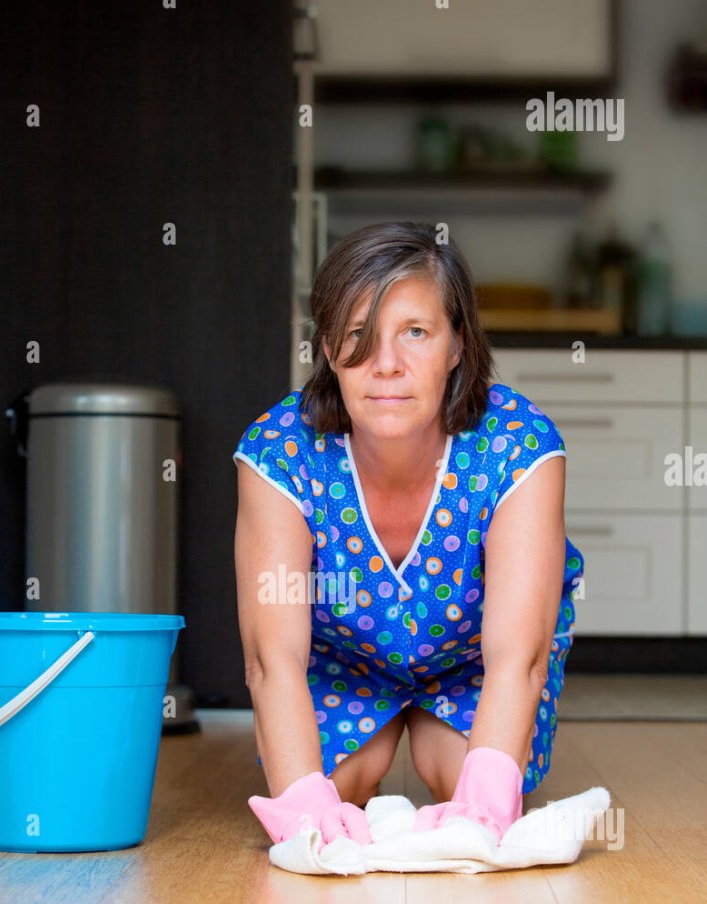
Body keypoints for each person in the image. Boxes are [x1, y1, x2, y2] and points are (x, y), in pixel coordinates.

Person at [233, 221, 584, 853]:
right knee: (332, 792)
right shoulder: (279, 452)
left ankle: (438, 734)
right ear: (327, 348)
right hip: (340, 660)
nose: (386, 364)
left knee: (462, 784)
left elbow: (518, 658)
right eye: (358, 336)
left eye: (415, 332)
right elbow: (270, 658)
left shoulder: (520, 446)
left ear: (456, 346)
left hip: (477, 662)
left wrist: (481, 811)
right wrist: (304, 811)